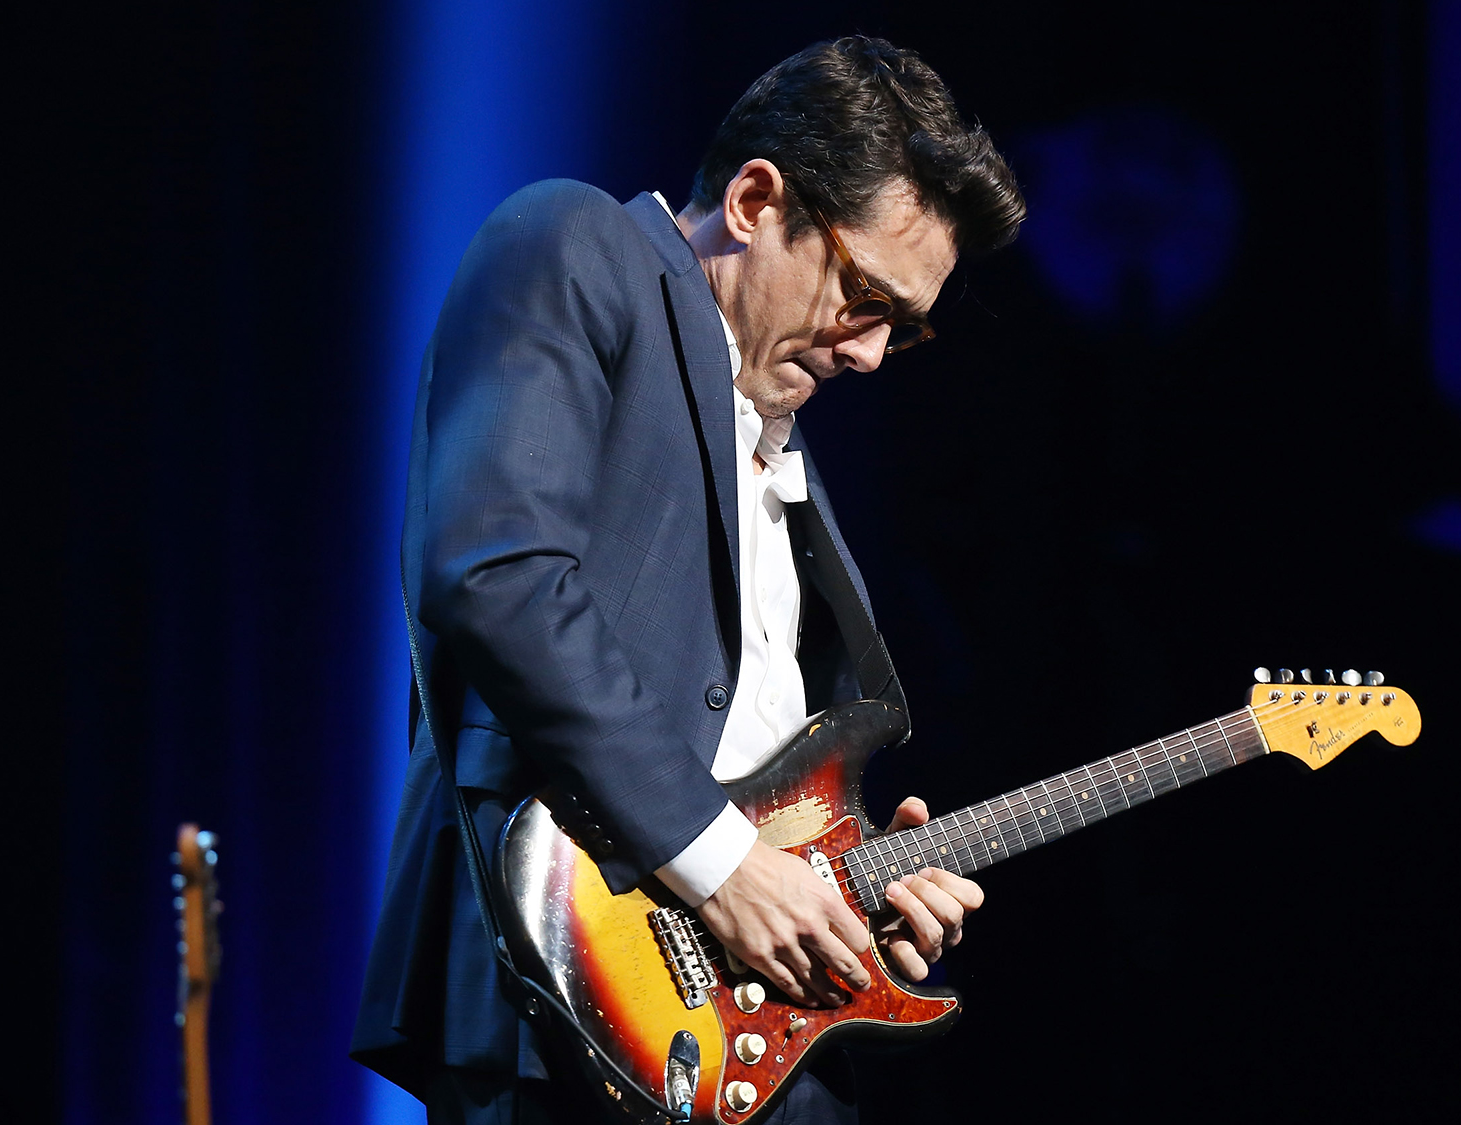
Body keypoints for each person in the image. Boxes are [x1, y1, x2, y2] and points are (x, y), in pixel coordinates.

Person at [352, 36, 1027, 1124]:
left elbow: (756, 754)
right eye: (863, 296)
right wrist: (724, 866)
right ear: (757, 200)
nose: (866, 352)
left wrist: (846, 885)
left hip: (751, 1037)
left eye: (900, 328)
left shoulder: (777, 433)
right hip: (567, 996)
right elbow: (497, 570)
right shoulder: (573, 241)